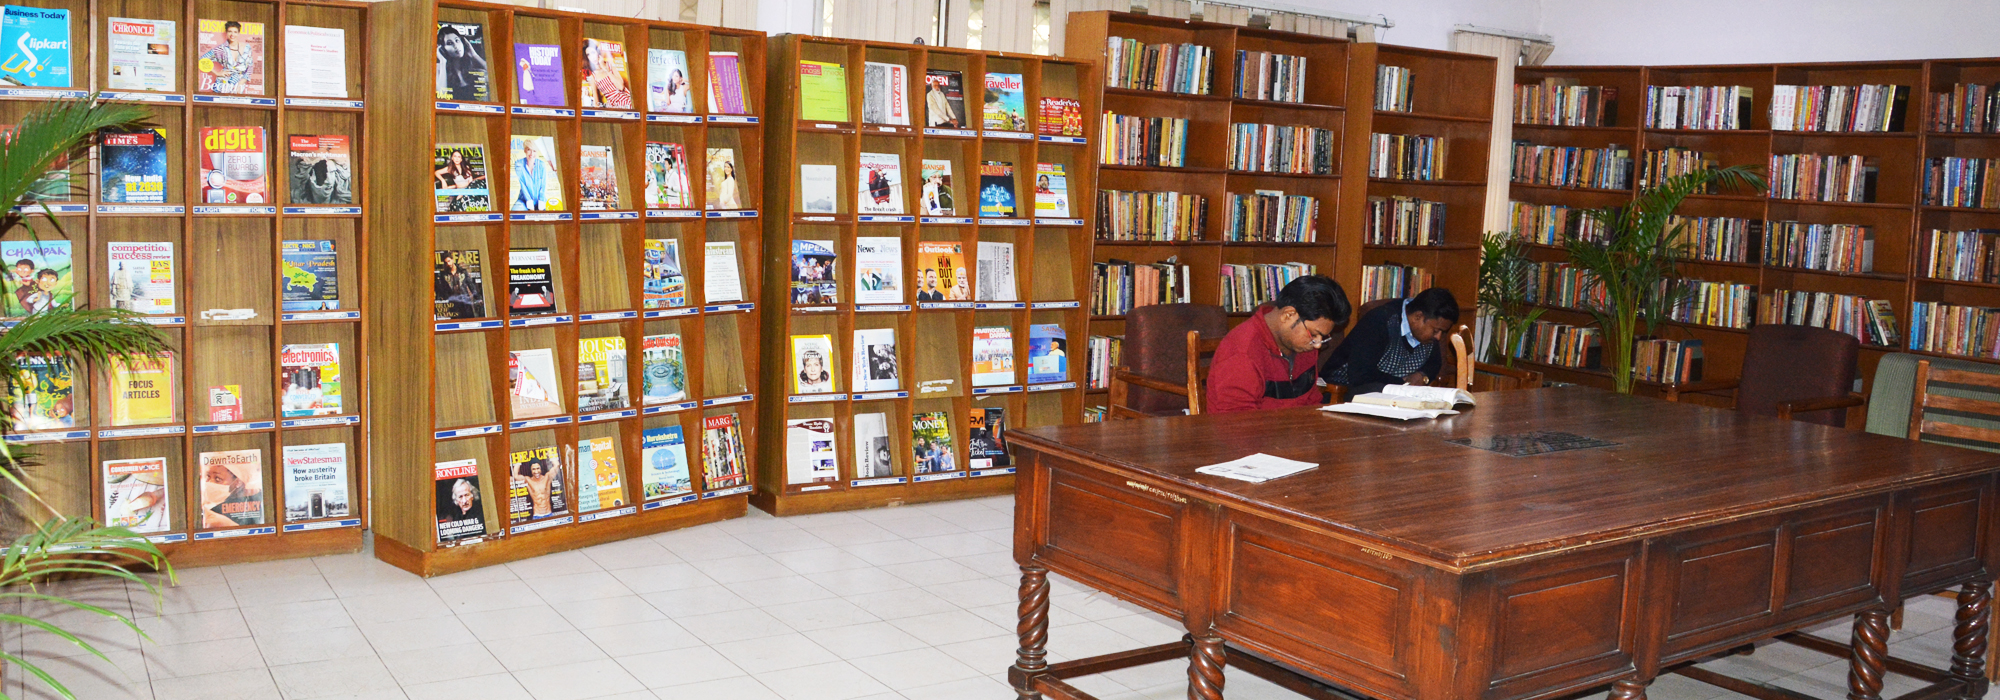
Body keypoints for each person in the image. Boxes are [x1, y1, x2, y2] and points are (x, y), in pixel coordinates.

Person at [1206, 275, 1352, 414]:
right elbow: (1235, 425)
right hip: (1252, 436)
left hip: (1293, 435)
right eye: (1314, 334)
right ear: (1288, 315)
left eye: (1323, 337)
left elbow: (1312, 402)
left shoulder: (1302, 345)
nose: (1318, 344)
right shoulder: (1242, 353)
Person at [1321, 287, 1459, 397]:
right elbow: (1361, 375)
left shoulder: (1428, 333)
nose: (1438, 337)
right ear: (1418, 316)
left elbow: (1434, 363)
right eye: (1436, 331)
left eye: (1442, 332)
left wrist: (1422, 376)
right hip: (1343, 390)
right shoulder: (1380, 321)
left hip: (1393, 394)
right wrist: (1404, 385)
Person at [200, 21, 256, 94]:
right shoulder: (221, 49)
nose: (232, 34)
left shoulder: (246, 47)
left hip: (239, 83)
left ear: (239, 33)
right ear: (226, 33)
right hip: (222, 84)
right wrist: (217, 73)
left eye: (235, 32)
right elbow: (202, 60)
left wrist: (241, 82)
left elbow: (250, 67)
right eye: (230, 31)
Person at [436, 24, 488, 101]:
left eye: (457, 40)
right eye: (450, 43)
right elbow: (442, 97)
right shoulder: (438, 70)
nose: (456, 46)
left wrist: (474, 55)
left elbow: (494, 78)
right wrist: (443, 62)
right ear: (443, 49)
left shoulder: (474, 70)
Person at [512, 138, 553, 211]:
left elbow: (543, 186)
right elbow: (522, 185)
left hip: (540, 198)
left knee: (552, 212)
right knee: (515, 212)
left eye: (534, 151)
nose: (531, 154)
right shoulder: (519, 164)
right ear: (525, 150)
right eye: (529, 150)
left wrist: (540, 207)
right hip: (524, 199)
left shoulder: (541, 165)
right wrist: (530, 207)